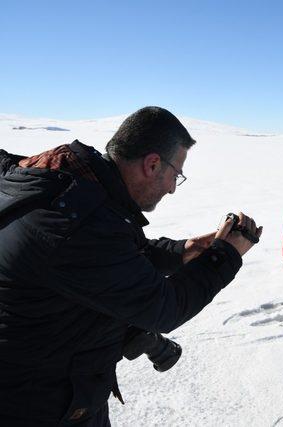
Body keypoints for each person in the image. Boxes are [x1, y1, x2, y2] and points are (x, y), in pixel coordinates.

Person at [0, 106, 262, 426]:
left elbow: (116, 261)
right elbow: (164, 307)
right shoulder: (75, 223)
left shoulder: (71, 185)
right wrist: (226, 255)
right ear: (152, 164)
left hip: (58, 388)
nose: (172, 188)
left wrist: (188, 249)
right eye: (175, 175)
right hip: (38, 406)